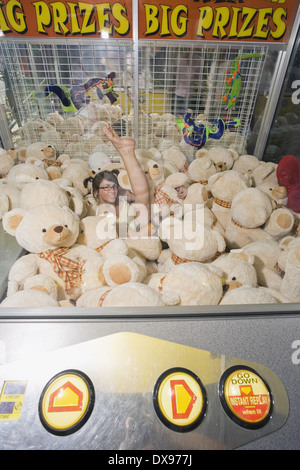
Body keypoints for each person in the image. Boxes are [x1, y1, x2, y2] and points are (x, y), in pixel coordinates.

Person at [90, 124, 151, 235]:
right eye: (107, 187)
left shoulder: (121, 199)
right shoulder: (99, 210)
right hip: (119, 240)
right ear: (96, 191)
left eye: (114, 187)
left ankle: (127, 153)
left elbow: (142, 195)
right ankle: (125, 152)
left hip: (136, 230)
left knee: (144, 203)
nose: (112, 191)